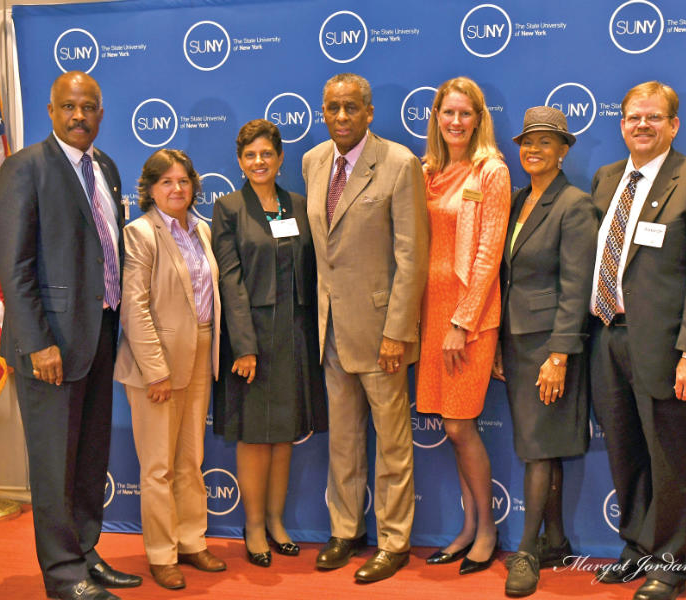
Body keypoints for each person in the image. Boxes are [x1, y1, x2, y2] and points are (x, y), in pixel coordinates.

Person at [588, 81, 686, 600]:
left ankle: (671, 563)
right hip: (609, 339)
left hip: (673, 350)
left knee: (671, 456)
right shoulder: (607, 179)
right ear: (621, 123)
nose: (642, 126)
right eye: (633, 118)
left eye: (654, 118)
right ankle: (636, 548)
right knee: (625, 452)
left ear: (673, 125)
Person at [0, 71, 142, 600]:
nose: (79, 116)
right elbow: (13, 268)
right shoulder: (24, 169)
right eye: (69, 107)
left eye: (89, 107)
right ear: (52, 112)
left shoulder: (105, 167)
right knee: (55, 464)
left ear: (101, 113)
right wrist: (37, 343)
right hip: (49, 345)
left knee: (88, 457)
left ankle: (84, 553)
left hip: (99, 332)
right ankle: (62, 577)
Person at [302, 73, 428, 583]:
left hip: (382, 334)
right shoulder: (312, 162)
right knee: (344, 441)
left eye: (351, 108)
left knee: (393, 443)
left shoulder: (399, 163)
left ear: (370, 112)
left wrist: (398, 332)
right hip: (329, 329)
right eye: (332, 107)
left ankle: (394, 541)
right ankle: (346, 530)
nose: (340, 117)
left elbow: (411, 256)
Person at [212, 119, 327, 568]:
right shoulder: (228, 208)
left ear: (280, 159)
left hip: (294, 337)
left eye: (266, 154)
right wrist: (244, 346)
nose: (258, 162)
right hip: (252, 341)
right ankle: (254, 526)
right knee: (256, 438)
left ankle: (277, 522)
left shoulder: (297, 205)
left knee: (285, 436)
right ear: (240, 162)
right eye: (249, 155)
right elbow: (230, 279)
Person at [492, 107, 597, 596]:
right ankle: (556, 540)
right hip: (515, 342)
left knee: (537, 449)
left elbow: (577, 288)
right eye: (527, 142)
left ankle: (527, 551)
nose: (532, 150)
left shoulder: (574, 205)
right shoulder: (517, 201)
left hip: (548, 347)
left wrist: (559, 355)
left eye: (545, 143)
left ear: (563, 151)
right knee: (543, 444)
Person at [113, 149, 225, 589]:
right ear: (150, 189)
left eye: (183, 181)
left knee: (190, 458)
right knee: (157, 465)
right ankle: (161, 552)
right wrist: (154, 370)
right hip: (154, 363)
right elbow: (134, 307)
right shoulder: (140, 233)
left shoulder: (203, 229)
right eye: (167, 182)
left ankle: (192, 540)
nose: (177, 189)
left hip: (200, 351)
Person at [417, 76, 511, 575]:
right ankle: (468, 526)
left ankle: (488, 530)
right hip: (432, 315)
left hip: (467, 319)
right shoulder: (429, 171)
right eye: (447, 113)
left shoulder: (490, 171)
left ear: (479, 118)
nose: (455, 122)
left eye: (464, 114)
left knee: (459, 424)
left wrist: (462, 322)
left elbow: (487, 255)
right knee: (454, 429)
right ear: (437, 117)